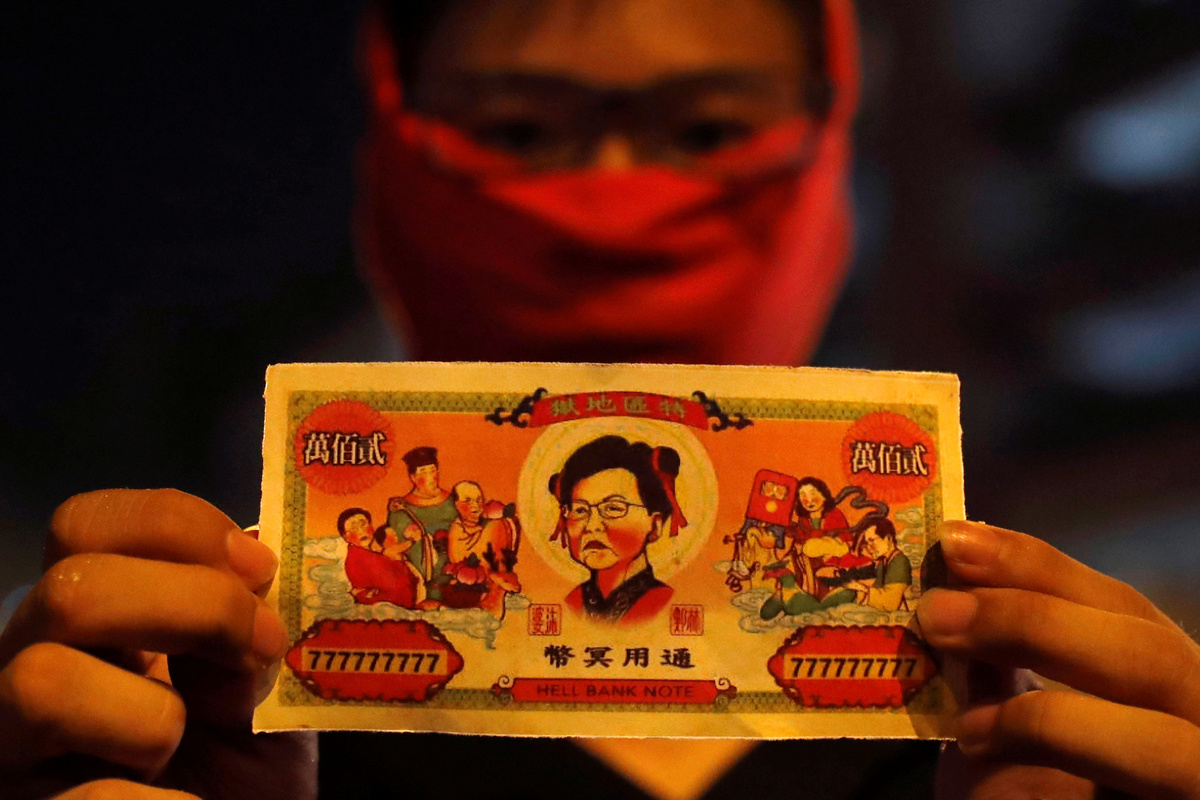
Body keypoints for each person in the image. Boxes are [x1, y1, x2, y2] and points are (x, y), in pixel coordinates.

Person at [2, 0, 1198, 798]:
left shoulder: (1028, 713)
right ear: (391, 150)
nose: (614, 201)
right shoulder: (207, 693)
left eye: (710, 126)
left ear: (830, 148)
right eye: (520, 127)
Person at [548, 436, 685, 626]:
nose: (592, 525)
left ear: (655, 525)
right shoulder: (572, 602)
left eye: (613, 508)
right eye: (580, 510)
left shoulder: (664, 603)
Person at [386, 446, 458, 608]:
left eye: (433, 470)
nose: (431, 477)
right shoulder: (401, 509)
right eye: (424, 472)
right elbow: (396, 546)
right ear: (413, 477)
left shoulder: (453, 501)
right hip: (419, 577)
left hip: (454, 571)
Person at [338, 507, 420, 607]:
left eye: (363, 524)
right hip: (392, 607)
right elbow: (394, 588)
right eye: (354, 528)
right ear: (346, 537)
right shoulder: (358, 558)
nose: (361, 531)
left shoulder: (374, 550)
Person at [842, 518, 912, 612]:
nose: (869, 547)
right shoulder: (883, 563)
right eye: (867, 543)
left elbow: (890, 604)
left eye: (872, 540)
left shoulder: (899, 562)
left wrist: (863, 589)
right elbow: (877, 589)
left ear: (888, 538)